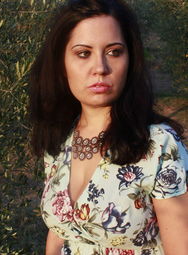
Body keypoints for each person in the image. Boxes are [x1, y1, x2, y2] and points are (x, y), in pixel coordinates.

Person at [29, 0, 188, 254]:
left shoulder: (159, 145)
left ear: (130, 59)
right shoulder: (60, 140)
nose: (100, 68)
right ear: (61, 63)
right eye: (83, 53)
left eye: (114, 52)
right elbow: (58, 235)